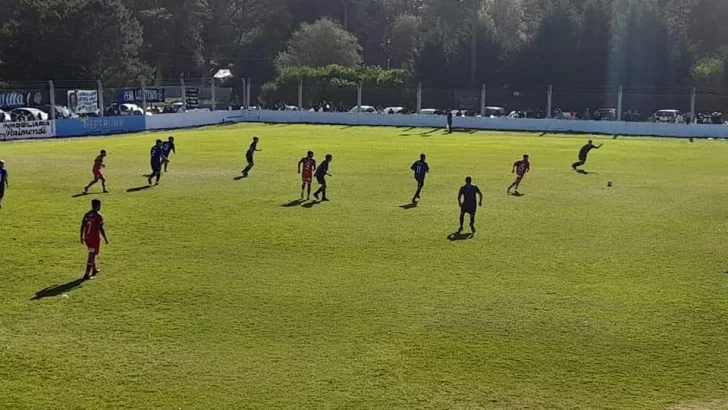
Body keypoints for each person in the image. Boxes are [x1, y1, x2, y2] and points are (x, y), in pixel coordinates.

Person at [80, 199, 109, 280]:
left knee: (91, 252)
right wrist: (105, 238)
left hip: (87, 237)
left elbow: (82, 225)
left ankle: (94, 269)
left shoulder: (87, 214)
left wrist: (81, 236)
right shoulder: (99, 216)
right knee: (91, 255)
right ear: (98, 206)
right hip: (94, 238)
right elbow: (101, 228)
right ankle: (86, 274)